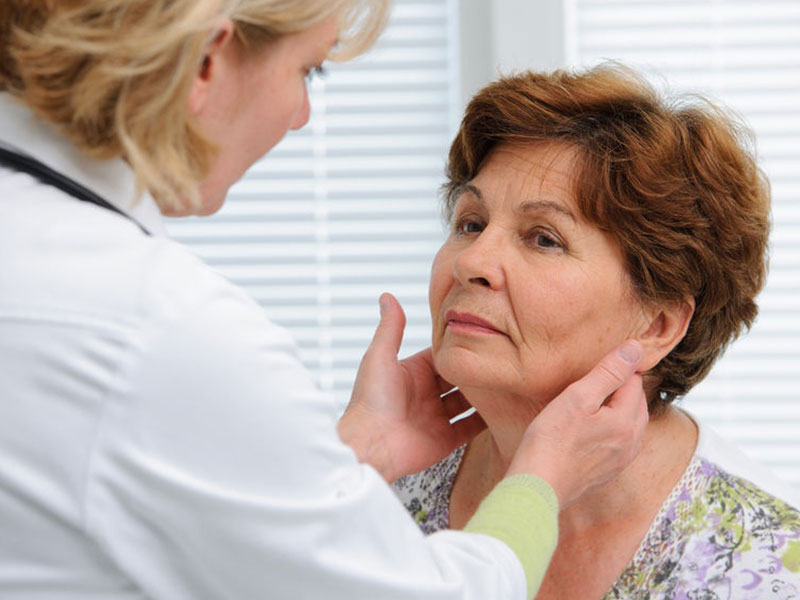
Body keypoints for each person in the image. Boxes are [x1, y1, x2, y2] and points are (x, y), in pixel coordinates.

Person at [0, 3, 649, 599]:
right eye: (307, 70)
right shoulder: (156, 330)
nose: (301, 114)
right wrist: (540, 485)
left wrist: (362, 448)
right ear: (206, 60)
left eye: (544, 238)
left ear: (661, 321)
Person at [393, 64, 800, 599]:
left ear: (657, 325)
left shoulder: (767, 563)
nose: (472, 261)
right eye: (471, 223)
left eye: (544, 239)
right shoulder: (374, 489)